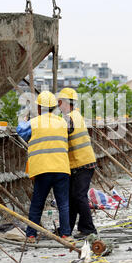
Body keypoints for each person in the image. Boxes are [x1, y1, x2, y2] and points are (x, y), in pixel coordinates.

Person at [17, 91, 73, 243]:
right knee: (63, 203)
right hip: (61, 168)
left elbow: (21, 132)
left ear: (39, 108)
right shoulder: (62, 122)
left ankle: (31, 235)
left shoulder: (34, 123)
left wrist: (23, 119)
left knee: (37, 203)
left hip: (42, 169)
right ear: (54, 107)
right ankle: (66, 234)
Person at [57, 87, 98, 239]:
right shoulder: (76, 115)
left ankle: (88, 228)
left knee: (78, 196)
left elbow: (59, 134)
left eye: (60, 102)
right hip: (81, 163)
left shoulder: (68, 118)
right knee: (73, 197)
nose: (59, 105)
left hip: (82, 163)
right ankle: (66, 229)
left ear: (66, 103)